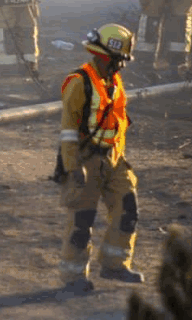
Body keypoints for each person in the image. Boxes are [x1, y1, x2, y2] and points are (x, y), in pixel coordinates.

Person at [55, 23, 144, 291]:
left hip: (113, 158)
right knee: (82, 220)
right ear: (106, 56)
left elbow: (118, 122)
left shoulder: (113, 81)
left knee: (127, 208)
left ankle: (115, 265)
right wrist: (73, 168)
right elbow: (68, 130)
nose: (122, 66)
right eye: (119, 60)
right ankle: (73, 277)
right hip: (85, 159)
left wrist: (120, 159)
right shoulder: (79, 82)